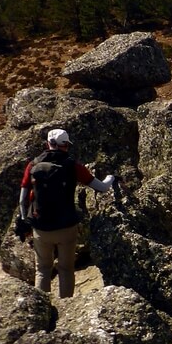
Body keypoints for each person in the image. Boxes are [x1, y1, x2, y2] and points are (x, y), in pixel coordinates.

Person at [18, 128, 114, 298]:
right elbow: (102, 188)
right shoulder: (73, 166)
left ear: (48, 144)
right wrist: (111, 178)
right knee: (66, 269)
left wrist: (25, 220)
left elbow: (22, 199)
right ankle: (66, 304)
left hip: (41, 227)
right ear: (66, 145)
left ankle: (42, 306)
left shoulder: (32, 165)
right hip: (66, 227)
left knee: (42, 269)